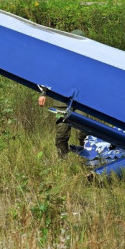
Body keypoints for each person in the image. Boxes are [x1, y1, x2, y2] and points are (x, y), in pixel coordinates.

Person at [38, 29, 88, 158]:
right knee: (61, 134)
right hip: (61, 102)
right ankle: (63, 159)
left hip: (81, 101)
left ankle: (86, 157)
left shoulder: (87, 59)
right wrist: (43, 93)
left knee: (84, 132)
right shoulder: (60, 57)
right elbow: (50, 76)